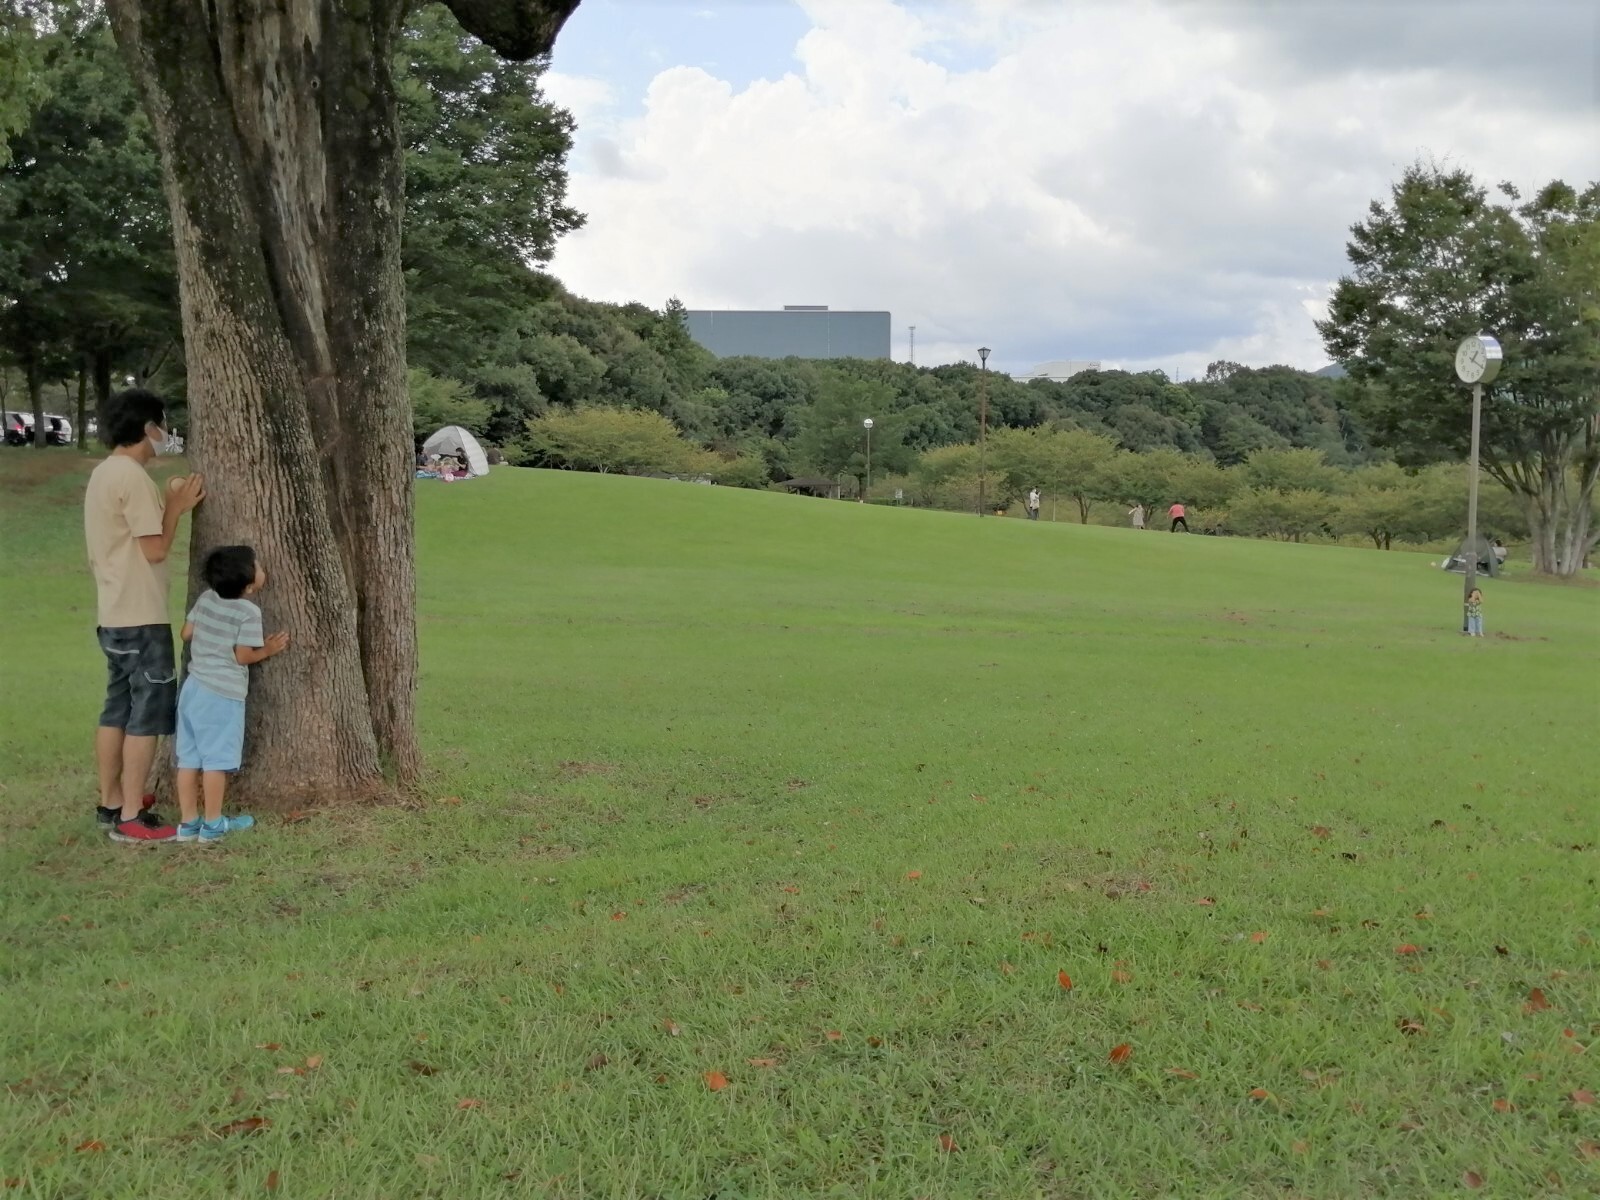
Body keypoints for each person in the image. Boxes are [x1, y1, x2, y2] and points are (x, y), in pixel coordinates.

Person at [85, 388, 205, 843]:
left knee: (116, 709)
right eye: (162, 426)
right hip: (141, 615)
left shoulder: (103, 473)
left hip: (113, 614)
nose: (165, 435)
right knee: (146, 714)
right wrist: (176, 508)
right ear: (147, 428)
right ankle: (132, 816)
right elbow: (154, 550)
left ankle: (111, 799)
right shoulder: (132, 478)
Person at [176, 545, 290, 843]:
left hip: (193, 688)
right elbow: (242, 656)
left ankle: (188, 823)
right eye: (259, 565)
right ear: (250, 585)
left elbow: (186, 634)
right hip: (221, 693)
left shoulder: (205, 597)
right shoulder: (248, 612)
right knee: (215, 760)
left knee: (188, 757)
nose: (263, 568)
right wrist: (267, 649)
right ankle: (213, 824)